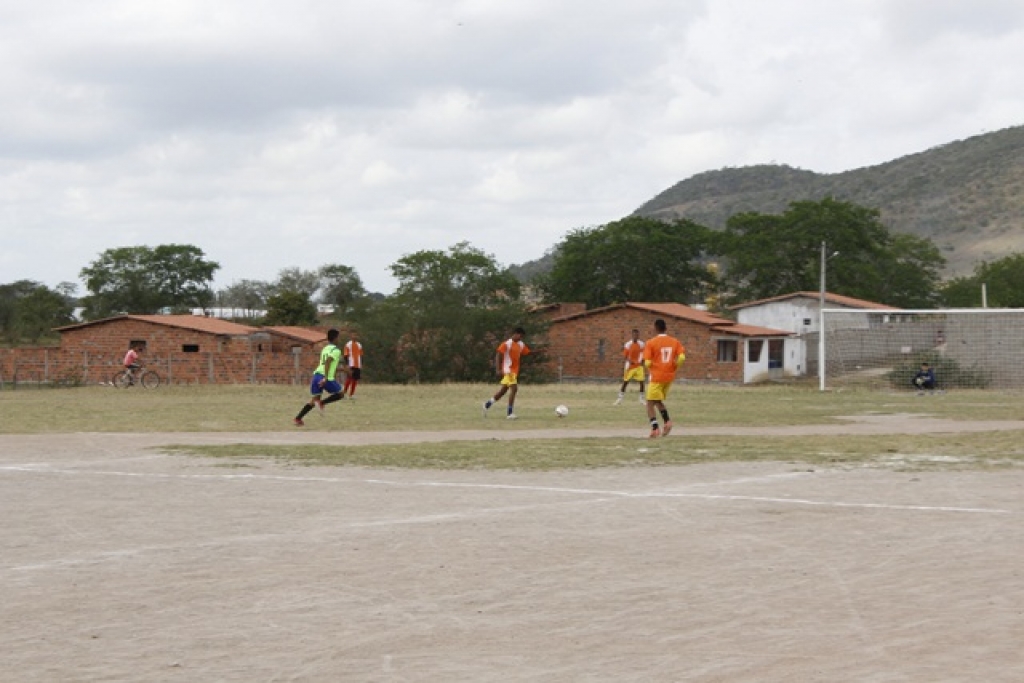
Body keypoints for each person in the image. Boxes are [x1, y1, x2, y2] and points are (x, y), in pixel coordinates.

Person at [293, 328, 348, 427]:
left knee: (314, 400)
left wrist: (342, 370)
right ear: (335, 338)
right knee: (340, 394)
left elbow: (328, 365)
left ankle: (298, 418)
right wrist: (326, 378)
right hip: (325, 377)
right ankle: (322, 403)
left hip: (317, 375)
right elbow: (328, 362)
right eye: (338, 337)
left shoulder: (325, 348)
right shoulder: (336, 351)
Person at [643, 318, 686, 438]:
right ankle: (667, 422)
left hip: (657, 376)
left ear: (655, 328)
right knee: (657, 400)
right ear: (666, 328)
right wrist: (675, 366)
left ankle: (655, 428)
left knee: (649, 403)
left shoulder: (651, 343)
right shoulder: (674, 341)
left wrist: (652, 367)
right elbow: (682, 357)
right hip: (669, 376)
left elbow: (647, 362)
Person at [482, 327, 530, 420]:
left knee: (503, 391)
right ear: (515, 334)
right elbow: (498, 355)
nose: (521, 338)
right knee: (514, 389)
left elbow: (527, 352)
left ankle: (487, 404)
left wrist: (540, 351)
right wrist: (498, 369)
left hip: (514, 371)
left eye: (522, 337)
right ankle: (509, 413)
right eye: (520, 336)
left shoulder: (520, 344)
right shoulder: (507, 344)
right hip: (508, 370)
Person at [615, 328, 646, 405]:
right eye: (634, 335)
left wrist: (642, 362)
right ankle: (619, 399)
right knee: (625, 382)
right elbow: (625, 356)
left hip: (638, 366)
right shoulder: (628, 344)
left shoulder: (641, 344)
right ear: (632, 335)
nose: (636, 336)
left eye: (637, 335)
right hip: (630, 366)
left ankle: (641, 399)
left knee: (642, 382)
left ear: (638, 335)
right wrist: (630, 361)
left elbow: (643, 354)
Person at [342, 331, 363, 400]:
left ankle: (351, 395)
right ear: (351, 336)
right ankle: (343, 394)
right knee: (349, 379)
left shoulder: (359, 345)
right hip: (351, 364)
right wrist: (347, 364)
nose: (355, 336)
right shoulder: (348, 344)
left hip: (357, 364)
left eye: (356, 335)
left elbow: (360, 355)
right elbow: (345, 355)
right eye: (353, 335)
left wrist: (361, 364)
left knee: (355, 380)